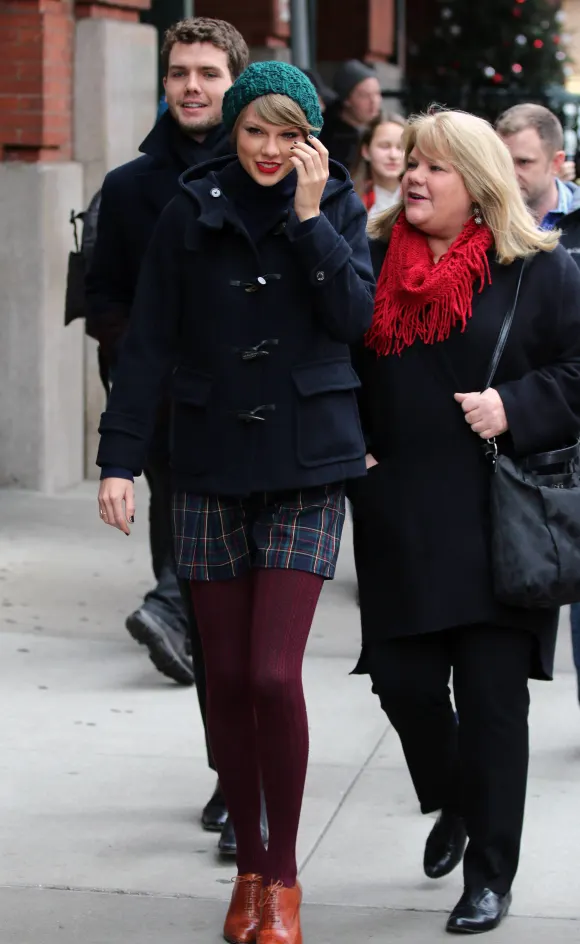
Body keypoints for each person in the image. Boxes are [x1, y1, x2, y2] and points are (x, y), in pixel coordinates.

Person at [96, 61, 374, 944]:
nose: (269, 149)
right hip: (210, 462)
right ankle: (248, 869)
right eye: (256, 130)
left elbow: (357, 320)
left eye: (289, 133)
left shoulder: (337, 207)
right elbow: (146, 345)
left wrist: (309, 222)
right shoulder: (188, 211)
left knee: (271, 675)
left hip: (307, 466)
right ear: (234, 129)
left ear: (311, 139)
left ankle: (283, 877)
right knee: (224, 681)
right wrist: (119, 460)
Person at [350, 108, 580, 935]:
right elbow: (336, 360)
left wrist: (514, 405)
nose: (414, 176)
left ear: (478, 185)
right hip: (400, 513)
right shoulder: (372, 258)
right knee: (402, 682)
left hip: (498, 517)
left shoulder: (540, 270)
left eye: (436, 166)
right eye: (412, 160)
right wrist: (351, 445)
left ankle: (490, 874)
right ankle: (455, 796)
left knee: (492, 705)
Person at [86, 16, 250, 851]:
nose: (192, 86)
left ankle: (252, 775)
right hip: (173, 432)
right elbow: (106, 305)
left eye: (209, 73)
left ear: (235, 82)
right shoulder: (129, 188)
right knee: (207, 618)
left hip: (266, 430)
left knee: (258, 630)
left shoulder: (270, 170)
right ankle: (231, 775)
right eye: (180, 72)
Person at [497, 103, 580, 709]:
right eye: (502, 160)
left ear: (556, 161)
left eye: (523, 161)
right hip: (528, 426)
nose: (511, 173)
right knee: (544, 564)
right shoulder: (486, 230)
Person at [320, 59, 382, 171]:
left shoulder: (384, 127)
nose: (374, 101)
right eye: (364, 95)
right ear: (347, 100)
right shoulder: (330, 139)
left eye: (377, 93)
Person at [352, 112, 406, 218]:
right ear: (366, 151)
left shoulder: (421, 198)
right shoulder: (349, 201)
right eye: (385, 146)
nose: (393, 155)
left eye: (400, 148)